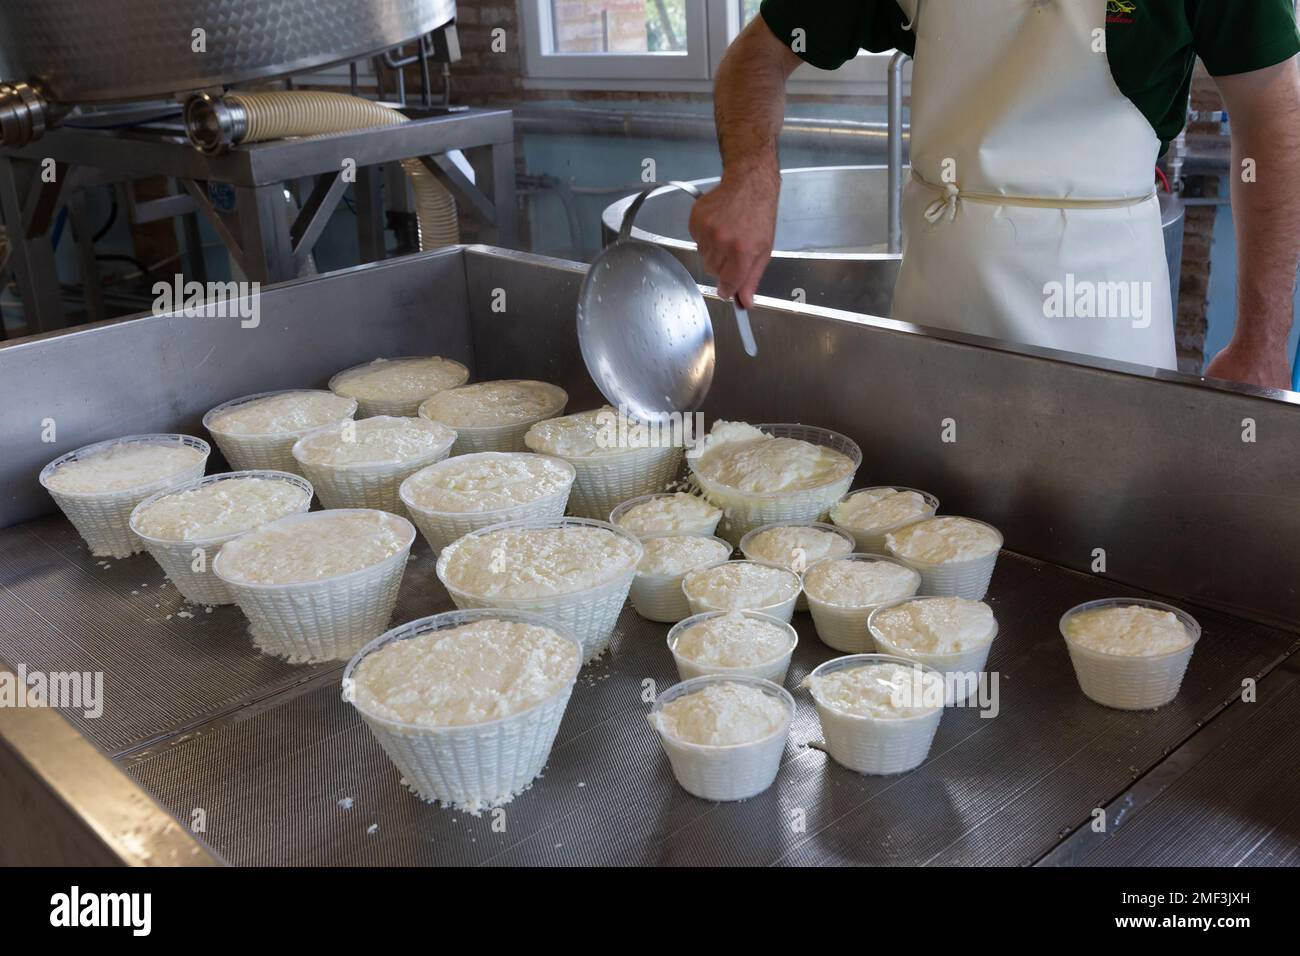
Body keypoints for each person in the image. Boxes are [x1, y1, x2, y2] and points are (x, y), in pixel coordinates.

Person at [689, 0, 1300, 389]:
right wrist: (750, 176)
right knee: (925, 544)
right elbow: (758, 57)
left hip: (1108, 319)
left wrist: (1261, 343)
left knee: (1107, 555)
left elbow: (1273, 110)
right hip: (943, 311)